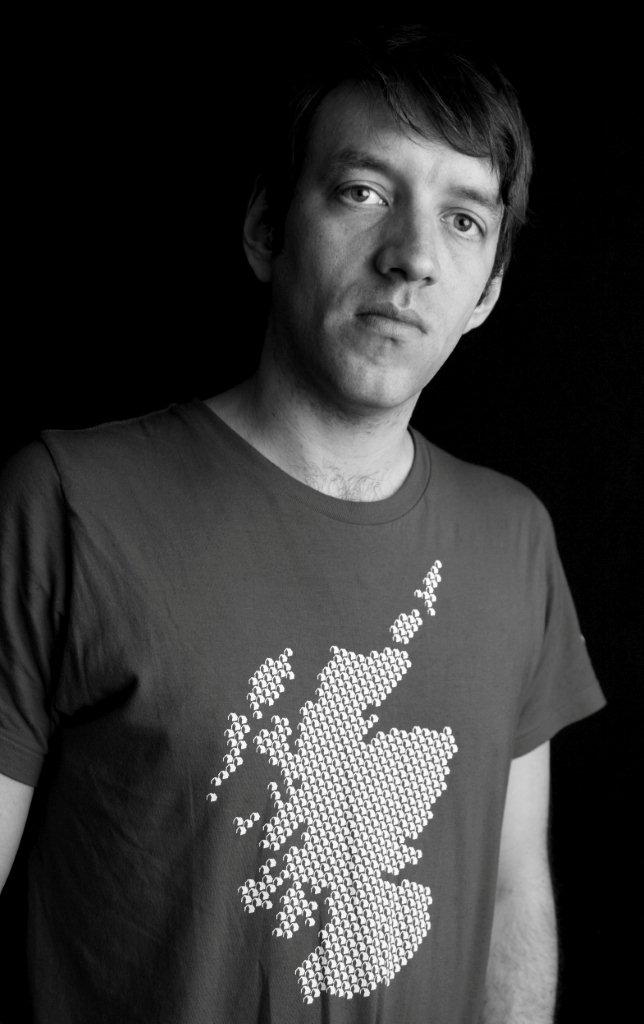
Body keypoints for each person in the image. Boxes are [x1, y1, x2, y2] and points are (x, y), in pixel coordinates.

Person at [0, 25, 606, 1024]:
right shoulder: (67, 503)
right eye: (363, 191)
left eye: (463, 219)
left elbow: (509, 898)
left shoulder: (514, 539)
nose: (412, 257)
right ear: (265, 229)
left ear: (488, 292)